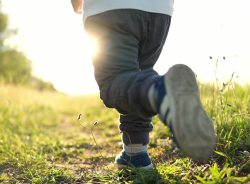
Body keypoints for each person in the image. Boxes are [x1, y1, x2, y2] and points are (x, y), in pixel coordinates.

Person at [71, 0, 215, 170]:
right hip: (159, 12)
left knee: (114, 80)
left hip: (111, 9)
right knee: (138, 77)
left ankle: (162, 91)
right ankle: (135, 153)